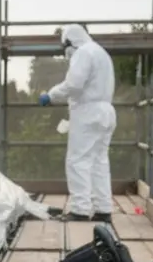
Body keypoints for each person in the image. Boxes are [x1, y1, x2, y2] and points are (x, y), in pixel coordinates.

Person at [39, 25, 117, 222]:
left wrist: (51, 95)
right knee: (99, 162)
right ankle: (103, 209)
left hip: (88, 112)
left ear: (70, 42)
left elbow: (74, 85)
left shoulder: (83, 53)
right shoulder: (101, 52)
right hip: (106, 111)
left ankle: (80, 210)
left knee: (78, 161)